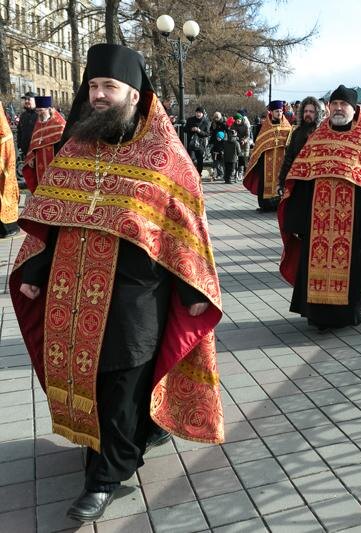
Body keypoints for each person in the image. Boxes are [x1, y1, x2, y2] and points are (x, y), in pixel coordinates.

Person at [9, 43, 224, 522]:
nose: (100, 95)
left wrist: (192, 291)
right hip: (72, 284)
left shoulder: (165, 155)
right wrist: (36, 275)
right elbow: (53, 219)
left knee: (122, 377)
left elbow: (185, 229)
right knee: (89, 373)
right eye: (94, 87)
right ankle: (130, 435)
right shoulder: (76, 147)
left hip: (136, 292)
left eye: (110, 87)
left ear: (134, 93)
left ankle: (106, 475)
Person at [279, 85, 361, 329]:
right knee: (314, 267)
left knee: (352, 272)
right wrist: (298, 220)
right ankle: (317, 315)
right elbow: (300, 179)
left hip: (355, 225)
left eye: (344, 105)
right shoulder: (317, 139)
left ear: (354, 109)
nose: (339, 108)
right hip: (317, 223)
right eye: (335, 104)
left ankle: (348, 315)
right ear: (329, 108)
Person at [243, 100, 292, 211]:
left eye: (280, 111)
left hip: (282, 160)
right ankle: (266, 205)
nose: (279, 113)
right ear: (271, 112)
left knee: (281, 180)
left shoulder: (287, 127)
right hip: (266, 160)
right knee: (264, 181)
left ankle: (280, 204)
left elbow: (291, 142)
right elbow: (259, 144)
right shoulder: (265, 128)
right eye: (276, 111)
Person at [277, 96, 323, 191]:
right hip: (297, 178)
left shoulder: (321, 133)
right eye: (306, 111)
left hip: (315, 181)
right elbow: (289, 157)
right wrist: (282, 180)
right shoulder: (296, 132)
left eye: (311, 112)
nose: (308, 114)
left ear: (317, 114)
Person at [22, 96, 66, 193]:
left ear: (49, 109)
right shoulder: (38, 123)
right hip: (39, 160)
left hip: (55, 159)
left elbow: (64, 143)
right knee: (41, 184)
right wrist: (31, 157)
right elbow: (34, 143)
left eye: (41, 110)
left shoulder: (59, 123)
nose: (39, 113)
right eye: (37, 111)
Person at [0, 101, 20, 238]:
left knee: (5, 194)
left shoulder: (5, 132)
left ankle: (8, 228)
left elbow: (5, 151)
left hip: (4, 169)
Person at [184, 106, 210, 176]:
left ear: (203, 114)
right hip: (191, 143)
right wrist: (191, 129)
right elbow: (185, 129)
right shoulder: (190, 119)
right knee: (190, 159)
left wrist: (199, 131)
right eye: (197, 112)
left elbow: (207, 133)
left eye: (200, 113)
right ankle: (191, 173)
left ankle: (199, 173)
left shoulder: (206, 121)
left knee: (200, 159)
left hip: (201, 143)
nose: (198, 114)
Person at [16, 92, 38, 160]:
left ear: (35, 100)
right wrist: (19, 146)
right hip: (25, 152)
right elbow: (19, 131)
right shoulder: (23, 115)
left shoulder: (40, 114)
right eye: (25, 99)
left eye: (28, 99)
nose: (26, 101)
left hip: (36, 151)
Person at [209, 112, 227, 180]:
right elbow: (211, 130)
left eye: (217, 118)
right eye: (215, 118)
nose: (216, 119)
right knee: (215, 160)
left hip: (221, 140)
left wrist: (222, 137)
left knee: (221, 160)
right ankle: (216, 173)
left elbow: (226, 130)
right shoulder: (213, 123)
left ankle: (221, 173)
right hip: (214, 140)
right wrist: (211, 133)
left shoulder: (223, 123)